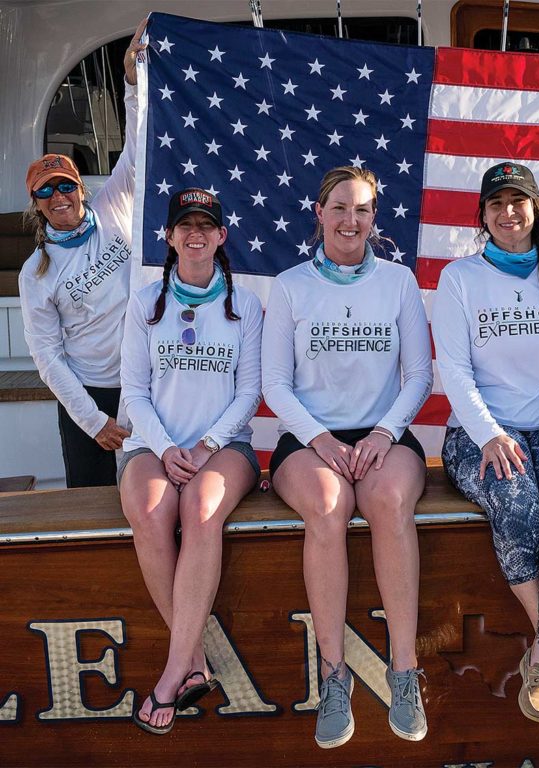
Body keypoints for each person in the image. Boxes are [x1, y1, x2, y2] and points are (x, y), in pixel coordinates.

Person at [262, 167, 433, 748]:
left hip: (383, 432)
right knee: (330, 504)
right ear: (319, 212)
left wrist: (386, 432)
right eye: (339, 208)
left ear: (374, 218)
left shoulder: (399, 282)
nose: (350, 220)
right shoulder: (289, 285)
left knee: (386, 500)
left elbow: (419, 374)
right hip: (311, 437)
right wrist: (321, 440)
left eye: (361, 210)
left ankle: (404, 671)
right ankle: (335, 678)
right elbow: (275, 385)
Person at [433, 161, 539, 725]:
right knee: (517, 501)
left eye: (518, 201)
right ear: (482, 216)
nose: (508, 213)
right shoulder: (459, 279)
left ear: (537, 208)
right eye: (496, 203)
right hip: (481, 435)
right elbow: (454, 371)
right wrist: (491, 435)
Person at [121, 189, 263, 735]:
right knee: (152, 508)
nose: (196, 234)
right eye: (185, 225)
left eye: (206, 225)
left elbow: (250, 391)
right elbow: (134, 391)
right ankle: (198, 661)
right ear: (170, 237)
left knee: (202, 510)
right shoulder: (143, 303)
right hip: (153, 445)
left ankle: (173, 670)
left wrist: (205, 446)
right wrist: (163, 448)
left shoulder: (244, 303)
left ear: (222, 236)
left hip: (225, 447)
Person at [18, 18, 149, 487]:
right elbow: (48, 358)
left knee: (155, 497)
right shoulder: (36, 272)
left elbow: (137, 147)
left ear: (81, 189)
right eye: (46, 191)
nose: (59, 197)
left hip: (146, 381)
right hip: (89, 394)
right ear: (36, 202)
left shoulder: (113, 204)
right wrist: (93, 421)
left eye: (66, 186)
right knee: (92, 505)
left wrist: (131, 80)